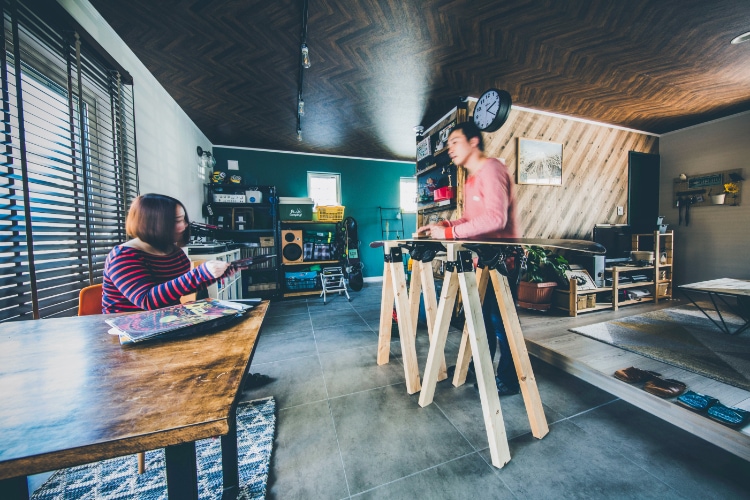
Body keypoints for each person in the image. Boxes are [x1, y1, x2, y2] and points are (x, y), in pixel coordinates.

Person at [102, 193, 272, 388]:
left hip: (167, 322)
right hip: (132, 331)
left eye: (183, 219)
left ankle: (231, 379)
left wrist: (217, 275)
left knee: (230, 324)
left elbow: (182, 288)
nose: (183, 226)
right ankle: (223, 382)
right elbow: (147, 300)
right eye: (176, 221)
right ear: (153, 223)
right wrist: (200, 273)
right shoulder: (123, 256)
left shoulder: (173, 252)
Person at [417, 121, 520, 396]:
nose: (449, 148)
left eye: (454, 142)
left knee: (502, 325)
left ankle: (509, 380)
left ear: (474, 141)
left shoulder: (493, 169)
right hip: (484, 260)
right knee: (481, 320)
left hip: (504, 260)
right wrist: (444, 226)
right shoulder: (472, 178)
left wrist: (451, 234)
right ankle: (478, 368)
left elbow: (496, 219)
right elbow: (472, 220)